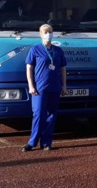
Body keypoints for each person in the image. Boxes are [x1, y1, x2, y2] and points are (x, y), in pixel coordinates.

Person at [22, 24, 67, 152]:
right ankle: (32, 142)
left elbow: (63, 68)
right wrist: (31, 86)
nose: (48, 34)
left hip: (55, 87)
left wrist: (64, 86)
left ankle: (46, 143)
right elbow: (29, 68)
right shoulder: (35, 50)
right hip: (39, 88)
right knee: (38, 114)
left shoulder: (58, 51)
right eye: (45, 32)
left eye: (50, 32)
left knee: (51, 115)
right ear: (40, 34)